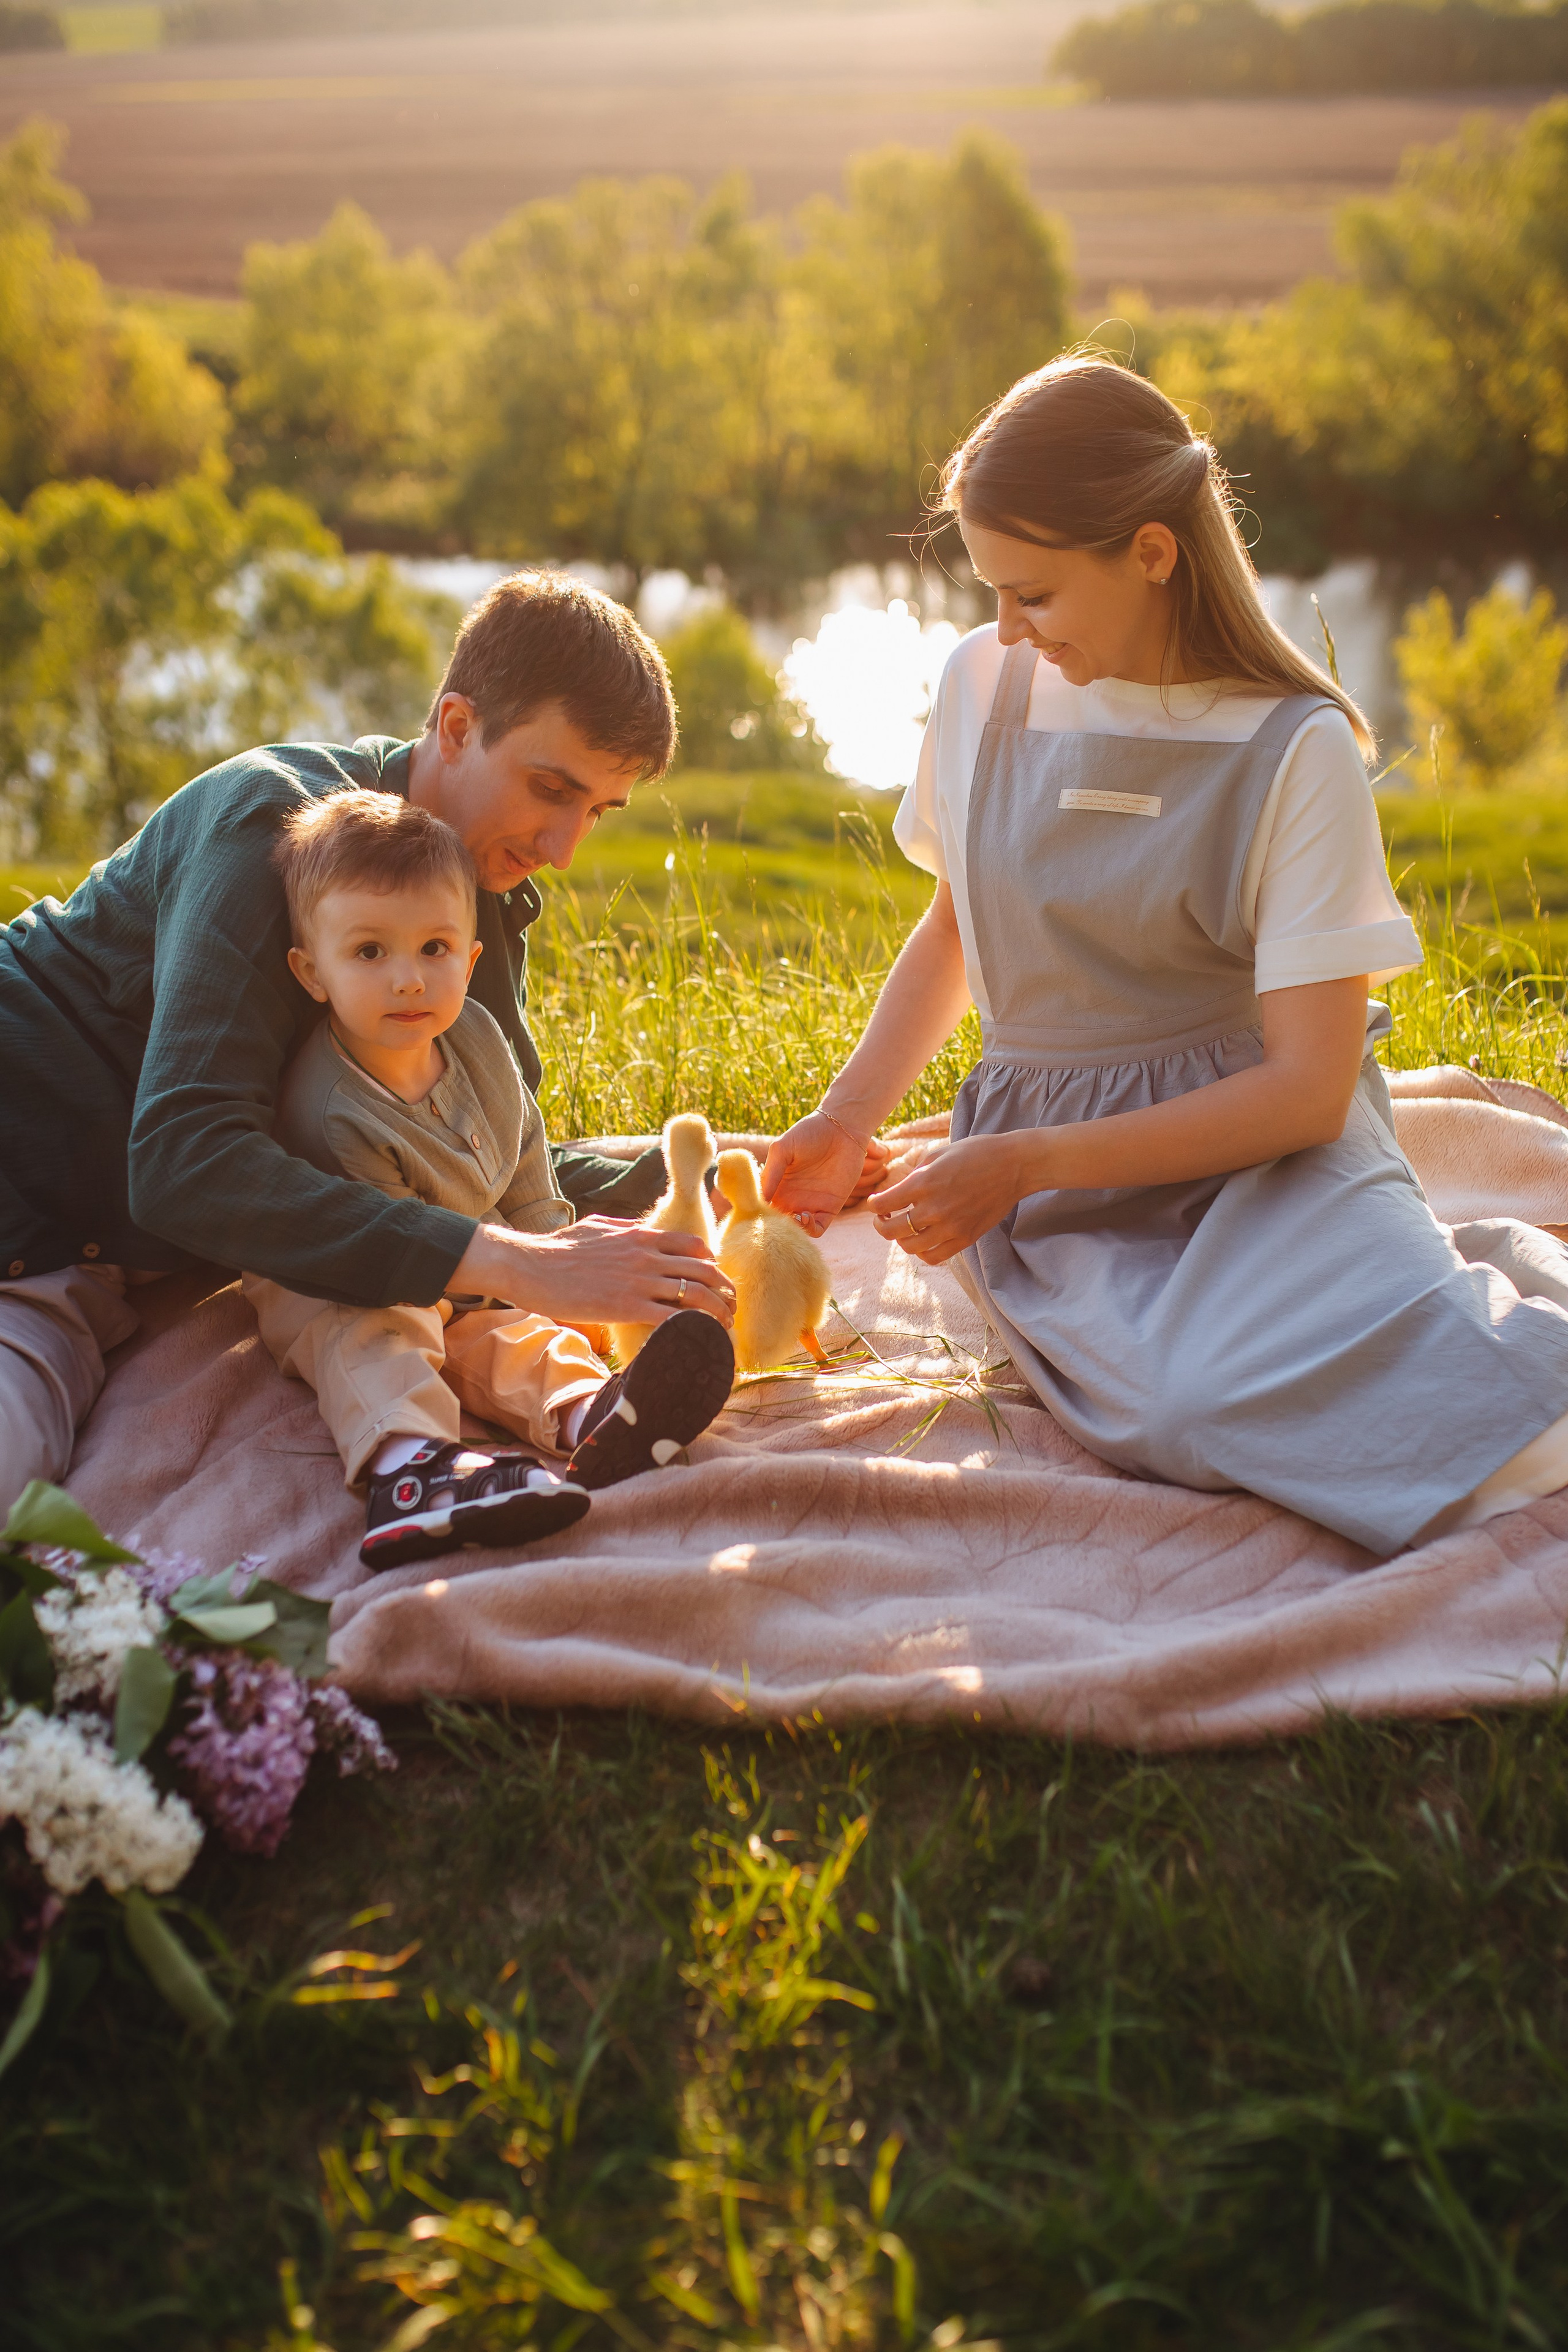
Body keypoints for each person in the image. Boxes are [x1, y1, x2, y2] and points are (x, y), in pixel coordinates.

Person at [763, 355, 1568, 1555]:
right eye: (989, 593)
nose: (1004, 631)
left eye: (1031, 594)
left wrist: (1018, 1160)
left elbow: (1301, 1090)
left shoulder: (1293, 749)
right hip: (1052, 1166)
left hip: (1260, 1151)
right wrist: (845, 1118)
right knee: (1165, 1405)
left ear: (1148, 552)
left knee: (1311, 1397)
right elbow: (955, 925)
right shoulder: (981, 683)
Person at [0, 572, 737, 1516]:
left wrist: (703, 1173)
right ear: (458, 726)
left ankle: (578, 1415)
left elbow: (477, 1163)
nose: (564, 847)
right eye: (551, 789)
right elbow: (186, 1161)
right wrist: (520, 1265)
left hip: (95, 1274)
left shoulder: (472, 897)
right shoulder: (268, 825)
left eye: (597, 811)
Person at [244, 790, 737, 1569]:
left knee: (513, 1337)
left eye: (434, 949)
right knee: (384, 1337)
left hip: (469, 1265)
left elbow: (522, 1148)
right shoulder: (334, 1109)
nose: (409, 979)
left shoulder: (473, 1033)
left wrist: (551, 1256)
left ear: (471, 958)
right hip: (351, 1270)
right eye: (370, 953)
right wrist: (512, 1279)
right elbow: (388, 1256)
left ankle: (593, 1414)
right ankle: (410, 1471)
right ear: (313, 974)